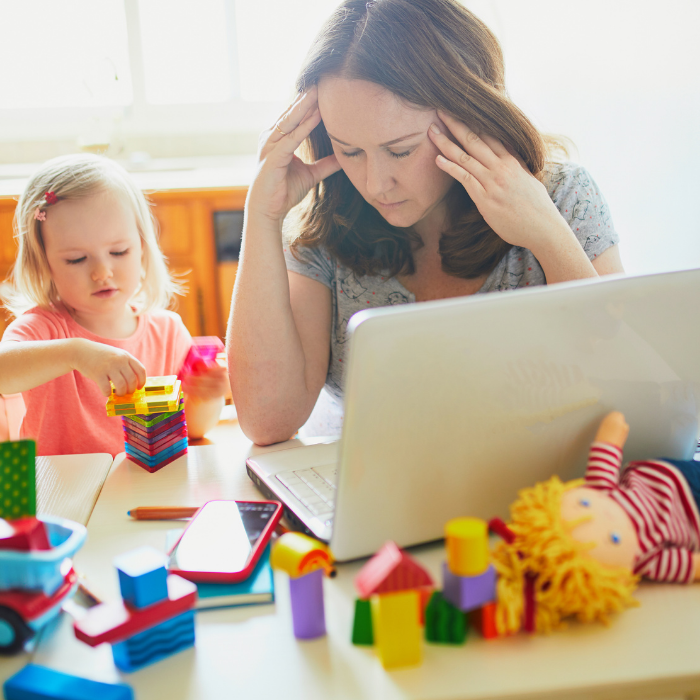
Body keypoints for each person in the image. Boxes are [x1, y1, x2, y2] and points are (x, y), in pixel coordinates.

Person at [227, 0, 624, 445]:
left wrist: (545, 233)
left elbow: (621, 396)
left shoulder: (562, 197)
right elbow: (267, 420)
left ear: (470, 117)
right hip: (372, 493)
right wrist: (261, 217)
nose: (375, 183)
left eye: (400, 150)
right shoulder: (326, 225)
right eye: (349, 150)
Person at [0, 154, 229, 456]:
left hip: (145, 487)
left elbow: (195, 428)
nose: (102, 272)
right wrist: (76, 353)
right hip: (71, 496)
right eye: (76, 259)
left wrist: (207, 396)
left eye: (119, 252)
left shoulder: (167, 332)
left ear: (143, 247)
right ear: (44, 264)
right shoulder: (43, 329)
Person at [491, 412, 700, 636]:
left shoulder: (599, 489)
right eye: (613, 539)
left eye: (582, 504)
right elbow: (690, 565)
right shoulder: (645, 559)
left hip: (670, 472)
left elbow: (607, 450)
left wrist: (614, 427)